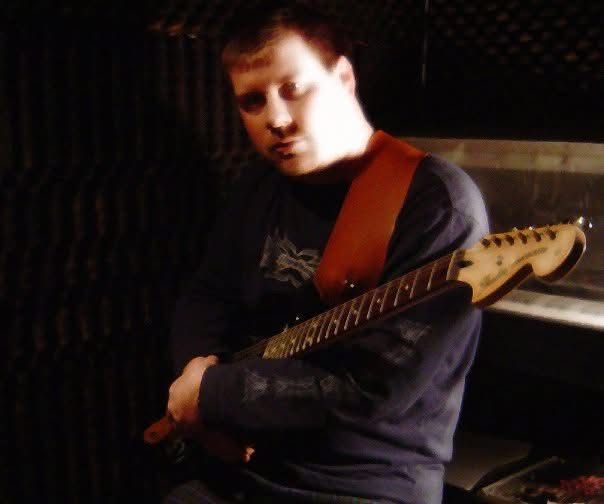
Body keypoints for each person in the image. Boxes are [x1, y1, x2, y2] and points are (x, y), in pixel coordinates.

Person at [164, 2, 489, 503]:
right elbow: (209, 293)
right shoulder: (257, 186)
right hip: (240, 461)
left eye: (293, 89)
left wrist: (211, 395)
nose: (275, 118)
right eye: (252, 101)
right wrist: (197, 387)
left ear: (343, 78)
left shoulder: (434, 204)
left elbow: (372, 385)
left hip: (361, 485)